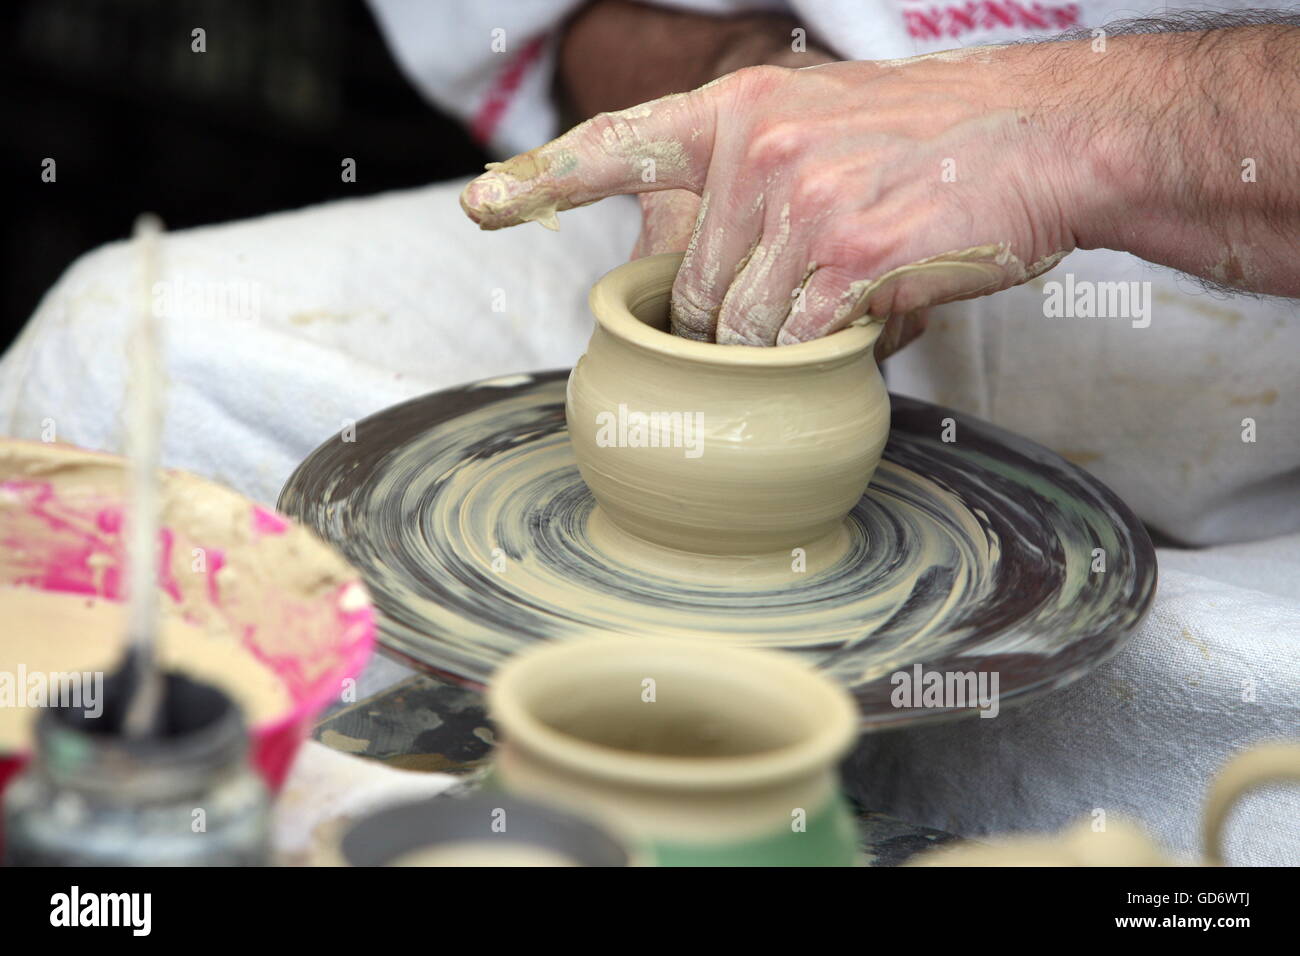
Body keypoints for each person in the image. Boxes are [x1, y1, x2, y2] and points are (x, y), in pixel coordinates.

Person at [1, 2, 1295, 862]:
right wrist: (747, 89)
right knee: (124, 345)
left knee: (1226, 727)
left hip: (1260, 334)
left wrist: (1093, 119)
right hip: (798, 198)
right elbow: (586, 19)